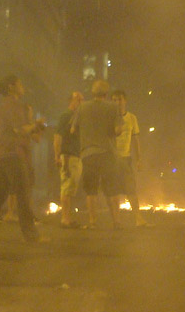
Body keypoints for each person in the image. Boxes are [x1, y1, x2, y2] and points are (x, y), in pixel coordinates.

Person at [0, 75, 44, 242]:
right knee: (23, 193)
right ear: (12, 87)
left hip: (3, 154)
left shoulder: (7, 105)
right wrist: (36, 125)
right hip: (12, 154)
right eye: (20, 84)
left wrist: (33, 126)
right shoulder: (12, 105)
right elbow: (19, 130)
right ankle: (31, 234)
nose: (23, 87)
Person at [73, 79, 121, 229]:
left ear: (92, 93)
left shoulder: (82, 107)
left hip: (88, 153)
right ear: (106, 94)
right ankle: (116, 222)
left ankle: (93, 222)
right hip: (108, 152)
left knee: (91, 190)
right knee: (112, 189)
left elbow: (73, 129)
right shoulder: (113, 107)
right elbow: (118, 130)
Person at [112, 89, 148, 227]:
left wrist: (139, 159)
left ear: (125, 101)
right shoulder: (109, 117)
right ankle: (117, 221)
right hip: (112, 158)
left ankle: (138, 219)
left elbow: (136, 139)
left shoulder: (131, 118)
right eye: (114, 100)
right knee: (113, 190)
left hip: (126, 158)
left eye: (119, 99)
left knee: (131, 189)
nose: (117, 102)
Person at [54, 91, 84, 228]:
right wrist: (57, 154)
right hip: (68, 155)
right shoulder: (66, 116)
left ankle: (67, 217)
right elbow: (58, 136)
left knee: (70, 187)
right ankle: (65, 218)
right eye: (78, 99)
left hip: (75, 155)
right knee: (67, 186)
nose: (81, 102)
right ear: (72, 101)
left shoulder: (77, 117)